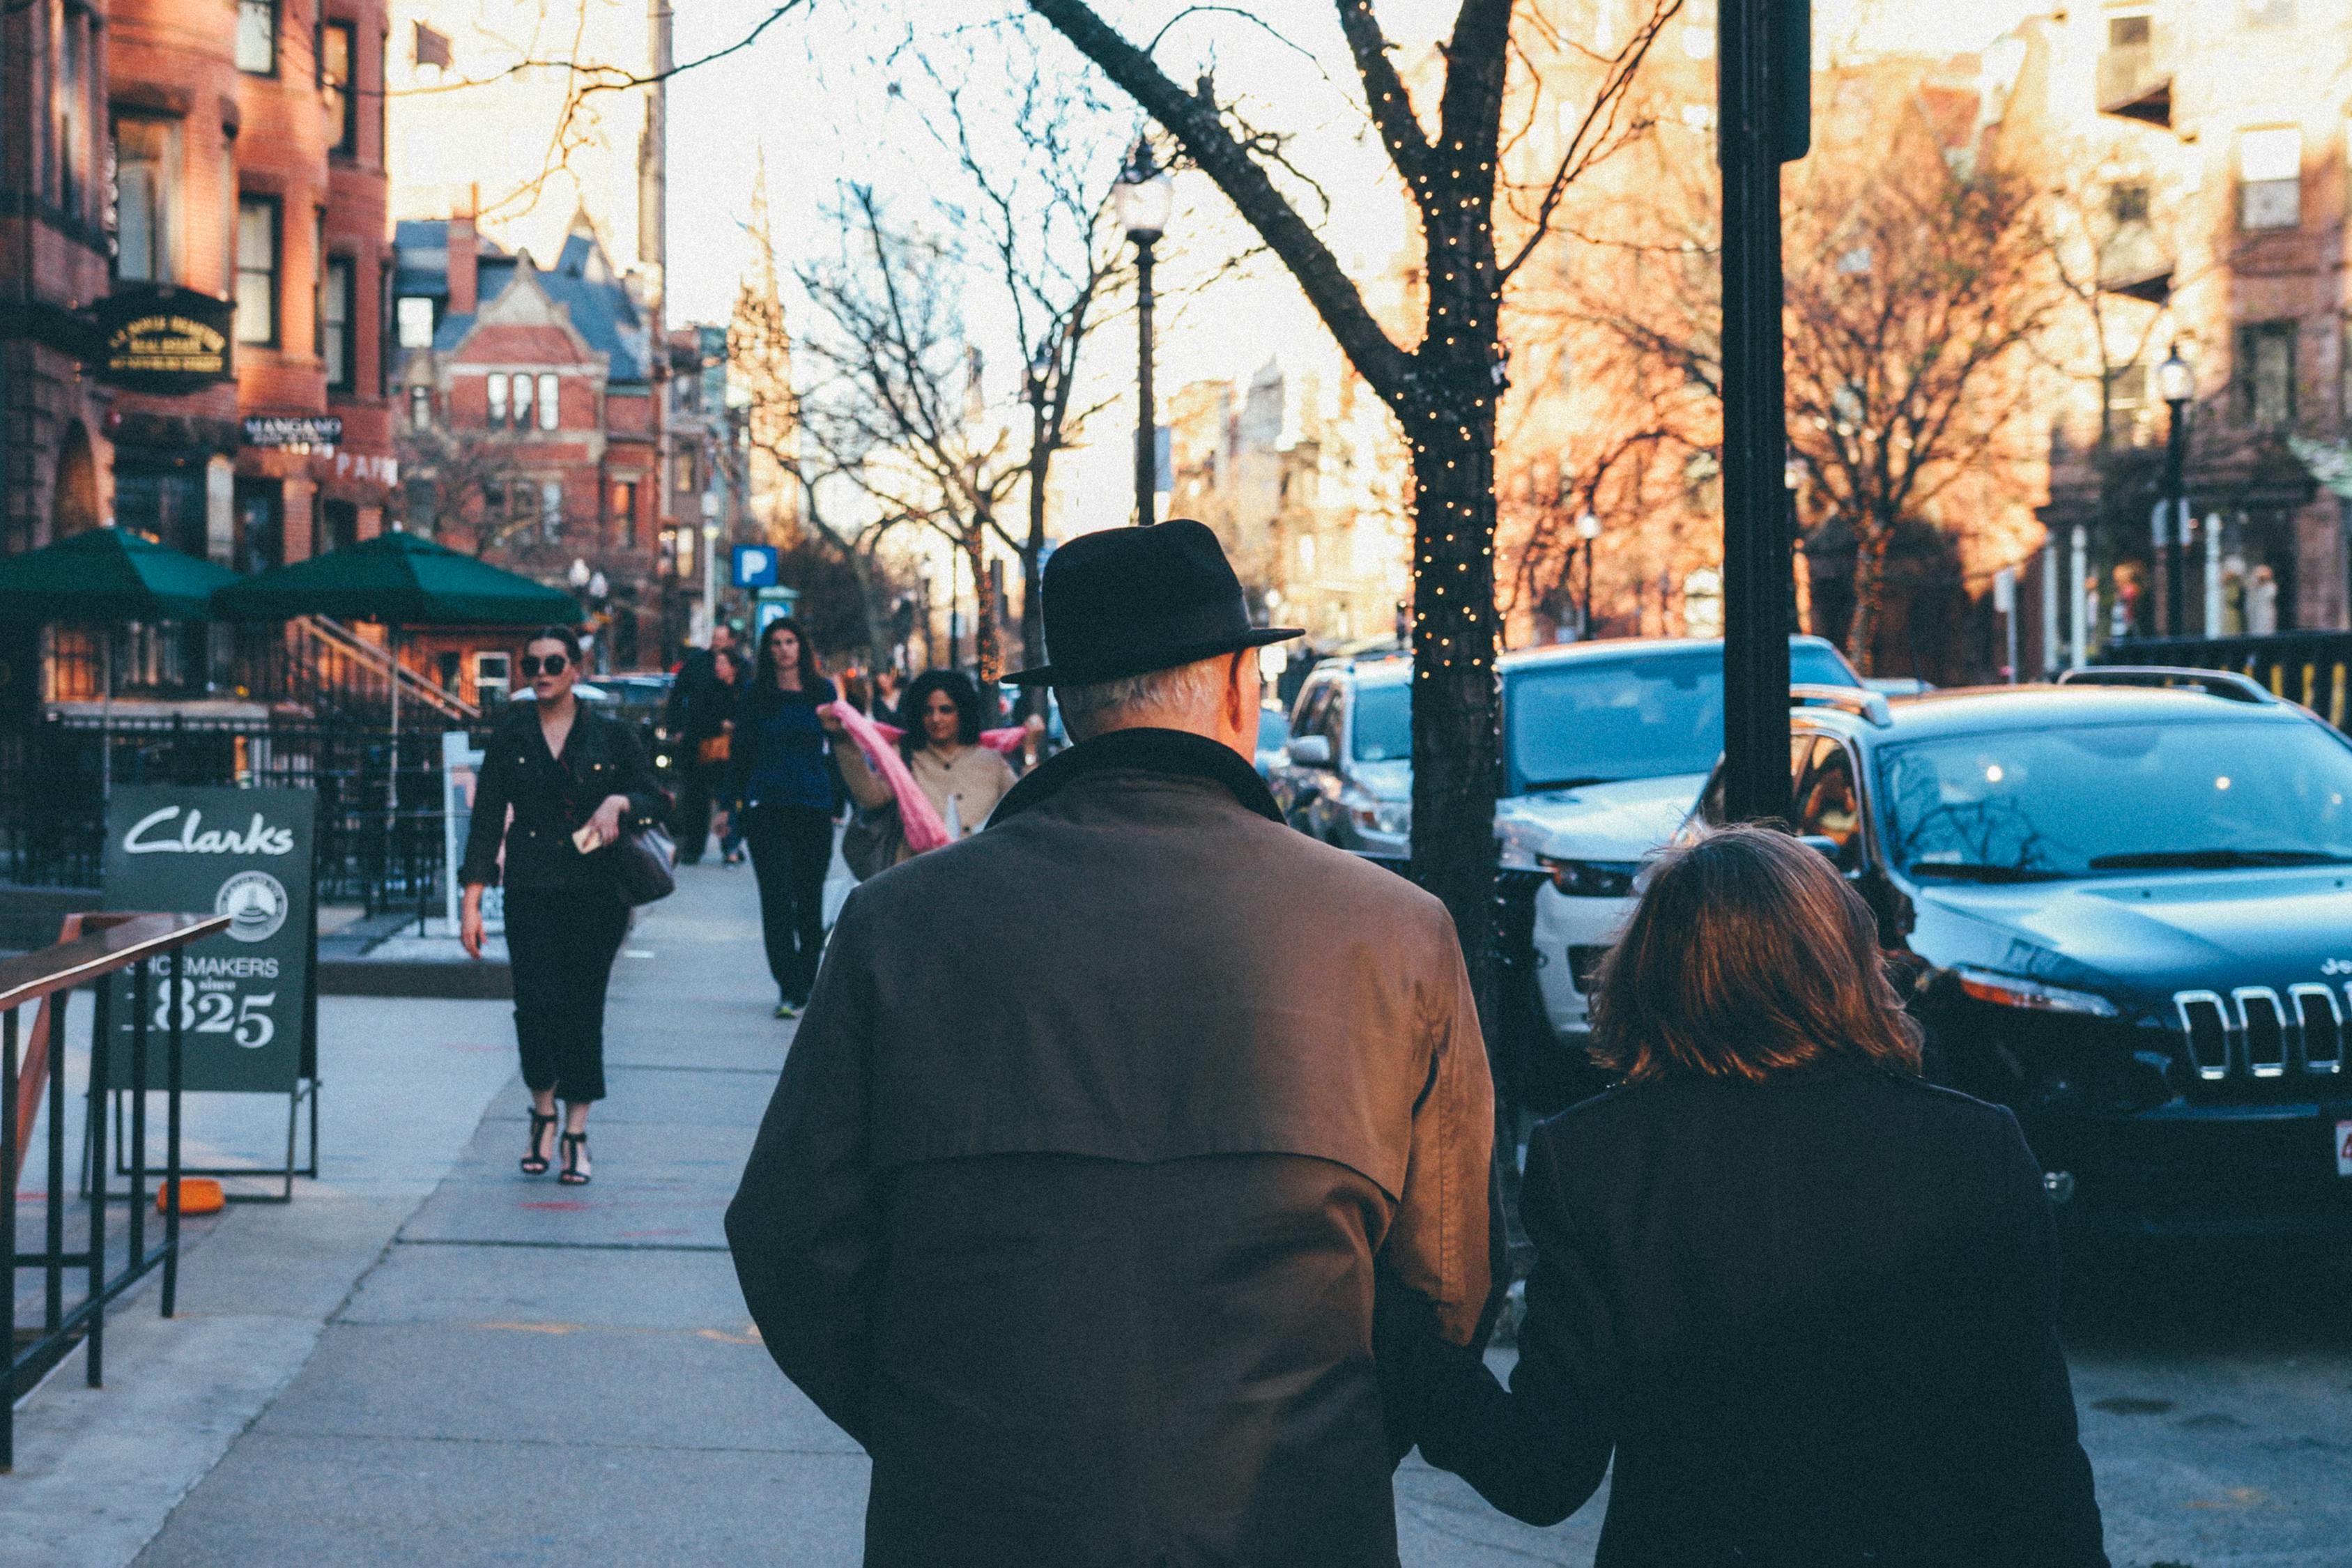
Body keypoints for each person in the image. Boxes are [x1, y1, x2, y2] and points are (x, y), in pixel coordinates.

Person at [727, 520, 1497, 1568]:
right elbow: (1446, 1281)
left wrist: (941, 1427)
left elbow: (790, 1235)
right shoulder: (1397, 933)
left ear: (1068, 703)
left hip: (973, 1517)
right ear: (1237, 685)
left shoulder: (898, 926)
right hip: (1290, 1514)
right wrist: (1325, 1440)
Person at [1397, 824, 2108, 1567]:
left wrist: (1393, 1332)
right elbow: (2034, 1454)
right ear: (1845, 964)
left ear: (1653, 973)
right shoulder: (1977, 1148)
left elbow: (1542, 1471)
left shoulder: (1597, 1161)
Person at [459, 625, 665, 1186]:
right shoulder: (512, 735)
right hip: (529, 889)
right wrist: (471, 902)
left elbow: (657, 798)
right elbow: (485, 821)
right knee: (534, 1007)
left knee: (582, 1008)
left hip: (597, 893)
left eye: (554, 663)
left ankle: (576, 1129)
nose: (542, 674)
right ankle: (541, 1115)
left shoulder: (612, 736)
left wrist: (620, 800)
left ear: (575, 668)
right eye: (533, 666)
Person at [718, 618, 837, 1019]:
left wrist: (841, 798)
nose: (784, 649)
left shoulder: (824, 692)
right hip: (767, 807)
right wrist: (727, 806)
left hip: (813, 806)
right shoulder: (756, 695)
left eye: (790, 641)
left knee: (808, 897)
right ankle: (789, 984)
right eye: (776, 643)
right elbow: (741, 753)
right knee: (775, 898)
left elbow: (840, 748)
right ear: (768, 650)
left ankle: (808, 977)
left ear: (801, 647)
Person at [828, 668, 1016, 859]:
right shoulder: (904, 755)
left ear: (963, 711)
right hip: (915, 878)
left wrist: (1030, 753)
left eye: (946, 710)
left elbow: (1026, 807)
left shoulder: (991, 760)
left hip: (979, 875)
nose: (936, 719)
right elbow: (872, 798)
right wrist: (842, 740)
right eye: (928, 711)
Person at [663, 621, 741, 864]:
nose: (717, 644)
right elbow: (679, 695)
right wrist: (677, 727)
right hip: (698, 740)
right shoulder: (697, 663)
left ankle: (730, 845)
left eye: (722, 639)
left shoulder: (741, 670)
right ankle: (695, 846)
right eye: (715, 638)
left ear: (731, 642)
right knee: (696, 796)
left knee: (728, 796)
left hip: (727, 743)